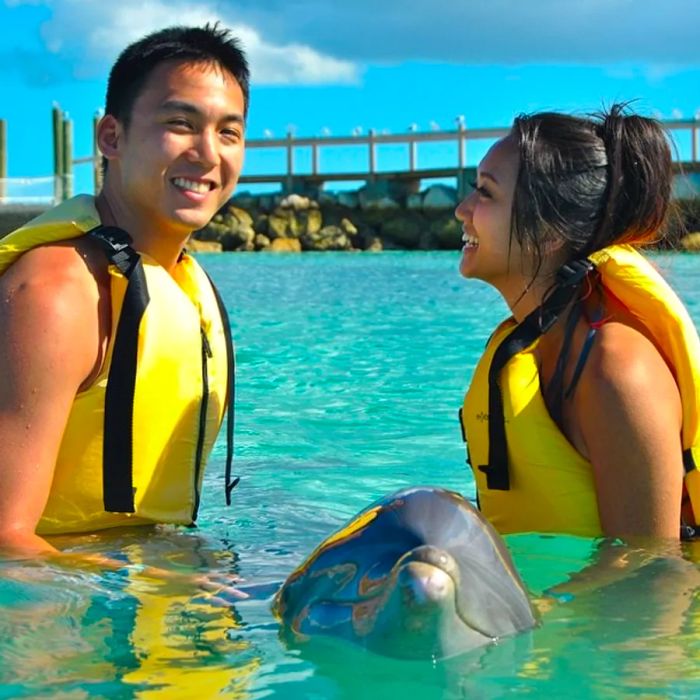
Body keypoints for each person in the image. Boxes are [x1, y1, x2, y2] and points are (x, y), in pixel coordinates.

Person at [0, 24, 248, 561]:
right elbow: (5, 538)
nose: (208, 154)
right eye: (181, 124)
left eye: (229, 133)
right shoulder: (60, 291)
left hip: (138, 588)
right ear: (111, 137)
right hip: (59, 620)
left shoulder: (178, 278)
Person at [456, 104, 700, 542]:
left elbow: (649, 579)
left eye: (486, 193)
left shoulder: (619, 373)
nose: (462, 209)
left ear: (550, 233)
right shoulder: (533, 339)